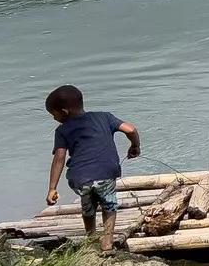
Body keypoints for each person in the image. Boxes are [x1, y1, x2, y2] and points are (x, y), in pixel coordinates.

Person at [45, 84, 140, 252]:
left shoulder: (62, 130)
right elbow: (130, 129)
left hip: (80, 178)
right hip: (106, 172)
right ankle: (107, 242)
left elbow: (59, 158)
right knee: (109, 205)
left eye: (54, 115)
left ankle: (91, 239)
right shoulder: (105, 117)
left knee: (88, 206)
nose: (54, 119)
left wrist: (52, 188)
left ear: (64, 112)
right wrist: (135, 146)